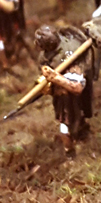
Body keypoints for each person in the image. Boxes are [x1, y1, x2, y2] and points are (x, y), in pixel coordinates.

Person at [34, 25, 94, 153]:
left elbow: (79, 80)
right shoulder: (44, 58)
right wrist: (50, 81)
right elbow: (44, 75)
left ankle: (82, 130)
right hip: (62, 94)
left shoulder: (71, 45)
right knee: (65, 120)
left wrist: (65, 77)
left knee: (80, 109)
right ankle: (70, 149)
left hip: (76, 81)